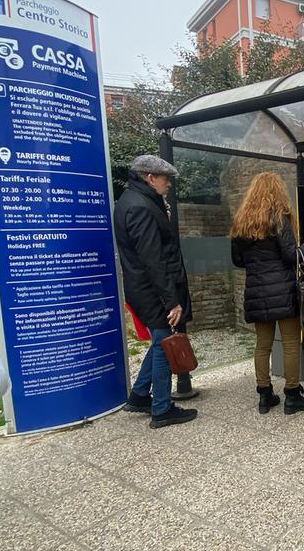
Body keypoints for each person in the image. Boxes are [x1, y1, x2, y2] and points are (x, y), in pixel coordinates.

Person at [114, 155, 197, 428]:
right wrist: (171, 301)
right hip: (153, 291)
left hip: (144, 288)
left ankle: (139, 396)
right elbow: (153, 259)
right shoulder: (141, 207)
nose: (169, 184)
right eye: (165, 178)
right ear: (149, 177)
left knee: (160, 340)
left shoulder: (135, 201)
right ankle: (161, 409)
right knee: (164, 345)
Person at [230, 172, 304, 415]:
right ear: (277, 192)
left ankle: (265, 395)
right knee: (291, 344)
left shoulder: (241, 222)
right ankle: (292, 396)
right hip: (282, 289)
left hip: (256, 291)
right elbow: (291, 255)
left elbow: (238, 260)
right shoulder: (279, 217)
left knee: (263, 345)